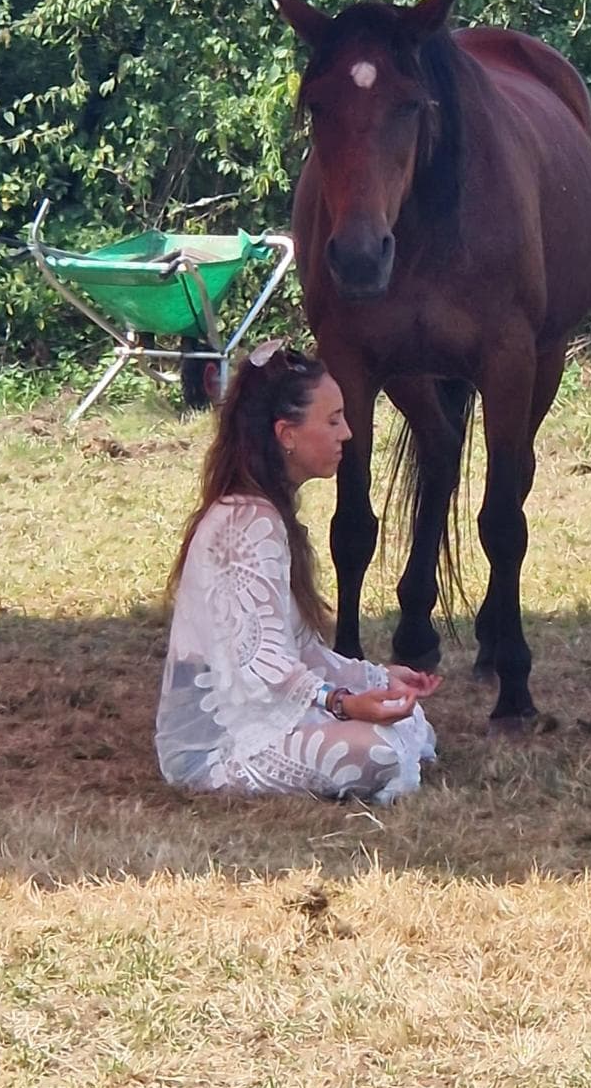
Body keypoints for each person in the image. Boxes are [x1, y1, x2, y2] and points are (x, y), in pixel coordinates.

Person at [156, 338, 440, 802]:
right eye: (332, 420)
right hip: (219, 745)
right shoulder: (247, 522)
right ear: (287, 434)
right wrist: (343, 703)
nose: (346, 433)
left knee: (408, 723)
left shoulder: (265, 512)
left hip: (262, 713)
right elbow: (262, 664)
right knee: (380, 751)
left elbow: (299, 650)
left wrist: (375, 678)